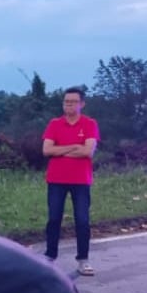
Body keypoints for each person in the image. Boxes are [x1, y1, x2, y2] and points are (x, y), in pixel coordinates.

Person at [42, 87, 99, 276]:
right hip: (56, 179)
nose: (69, 105)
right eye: (66, 101)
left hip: (81, 180)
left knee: (82, 220)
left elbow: (87, 151)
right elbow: (47, 150)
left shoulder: (89, 124)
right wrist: (74, 146)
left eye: (73, 102)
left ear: (82, 104)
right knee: (54, 219)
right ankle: (49, 256)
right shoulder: (54, 124)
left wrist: (61, 149)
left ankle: (83, 260)